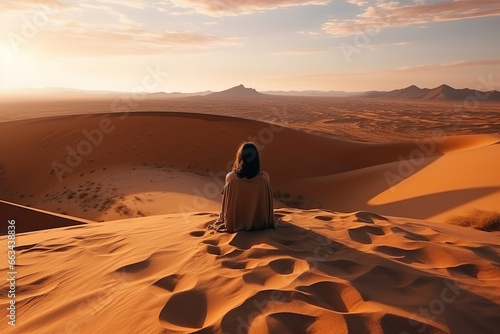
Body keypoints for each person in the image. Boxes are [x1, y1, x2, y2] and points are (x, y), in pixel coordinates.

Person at [208, 142, 278, 233]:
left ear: (240, 157)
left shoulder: (231, 178)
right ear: (256, 158)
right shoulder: (264, 177)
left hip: (234, 224)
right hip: (261, 223)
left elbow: (227, 203)